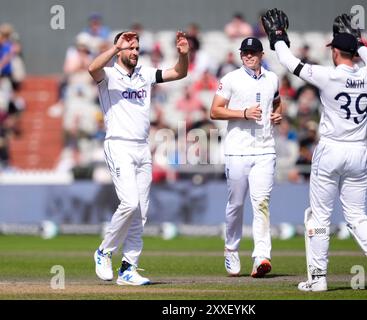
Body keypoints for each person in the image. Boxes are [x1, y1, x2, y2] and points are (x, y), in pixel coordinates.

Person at [262, 9, 367, 291]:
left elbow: (289, 62)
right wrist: (355, 40)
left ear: (336, 52)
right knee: (357, 215)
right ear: (356, 51)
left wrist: (278, 37)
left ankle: (318, 278)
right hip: (358, 151)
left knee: (319, 218)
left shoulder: (329, 76)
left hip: (331, 150)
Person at [88, 30, 189, 285]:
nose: (134, 52)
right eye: (129, 48)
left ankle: (128, 269)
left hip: (143, 147)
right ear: (119, 49)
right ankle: (104, 251)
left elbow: (179, 73)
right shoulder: (108, 75)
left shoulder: (145, 74)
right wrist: (115, 48)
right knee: (130, 203)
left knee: (141, 211)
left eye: (136, 48)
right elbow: (92, 68)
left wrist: (183, 55)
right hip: (118, 145)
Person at [210, 37, 282, 278]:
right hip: (237, 150)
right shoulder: (230, 79)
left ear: (261, 55)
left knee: (261, 203)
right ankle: (231, 248)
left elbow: (277, 102)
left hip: (265, 149)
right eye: (245, 52)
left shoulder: (272, 78)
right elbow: (215, 110)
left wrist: (277, 115)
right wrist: (243, 113)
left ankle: (261, 256)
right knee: (236, 204)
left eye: (253, 52)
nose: (248, 56)